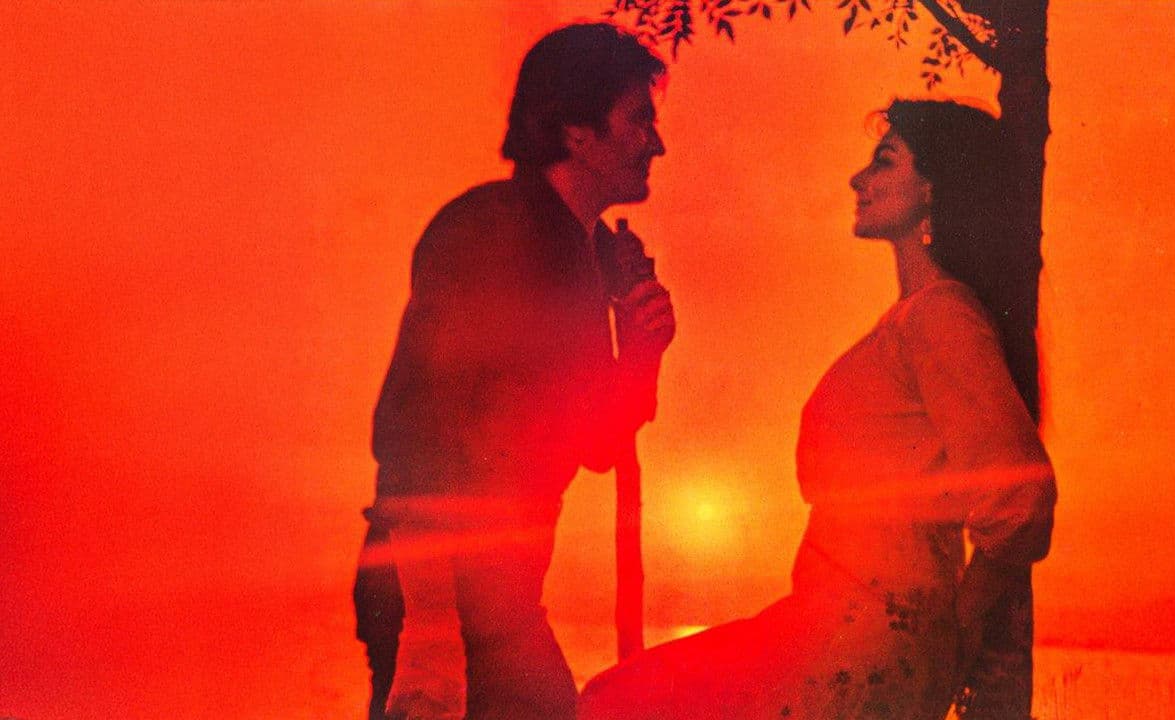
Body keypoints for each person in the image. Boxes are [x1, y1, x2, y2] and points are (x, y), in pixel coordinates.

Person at [578, 99, 1056, 720]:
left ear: (934, 189)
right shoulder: (912, 321)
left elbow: (1018, 497)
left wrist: (962, 625)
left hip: (864, 640)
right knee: (621, 697)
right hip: (832, 625)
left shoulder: (941, 316)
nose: (859, 179)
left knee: (617, 702)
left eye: (884, 162)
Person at [362, 23, 675, 720]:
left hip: (504, 600)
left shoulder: (585, 250)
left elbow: (595, 445)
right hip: (439, 595)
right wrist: (431, 633)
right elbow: (416, 426)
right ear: (577, 133)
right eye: (638, 119)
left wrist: (643, 354)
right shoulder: (489, 233)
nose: (655, 143)